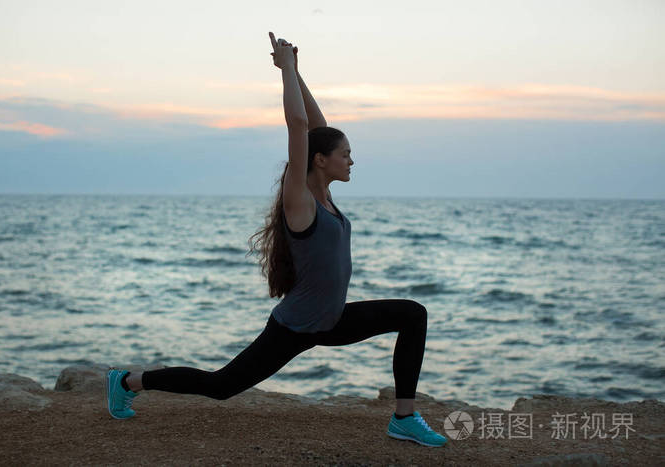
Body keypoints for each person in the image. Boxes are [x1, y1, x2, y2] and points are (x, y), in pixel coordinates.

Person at [106, 31, 447, 448]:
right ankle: (127, 381)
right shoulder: (299, 200)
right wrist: (284, 70)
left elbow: (319, 128)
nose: (352, 159)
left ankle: (404, 417)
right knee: (221, 386)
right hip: (297, 326)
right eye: (346, 153)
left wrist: (298, 72)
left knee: (413, 313)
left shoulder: (324, 193)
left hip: (333, 320)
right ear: (320, 161)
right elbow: (301, 126)